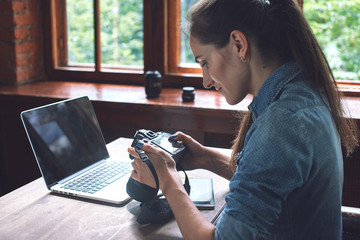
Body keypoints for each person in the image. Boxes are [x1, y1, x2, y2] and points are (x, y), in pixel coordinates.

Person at [128, 0, 359, 239]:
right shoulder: (301, 93)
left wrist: (168, 181)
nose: (206, 81)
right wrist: (207, 158)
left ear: (239, 44)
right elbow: (273, 179)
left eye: (205, 63)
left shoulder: (282, 123)